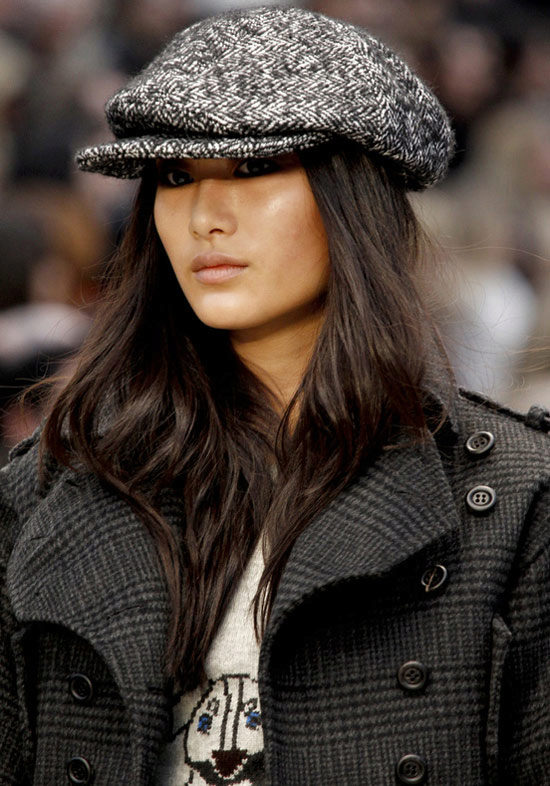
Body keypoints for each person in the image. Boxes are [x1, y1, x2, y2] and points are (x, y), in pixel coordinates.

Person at [1, 6, 549, 785]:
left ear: (351, 197)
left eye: (254, 170)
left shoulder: (514, 505)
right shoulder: (49, 491)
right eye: (175, 176)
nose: (205, 217)